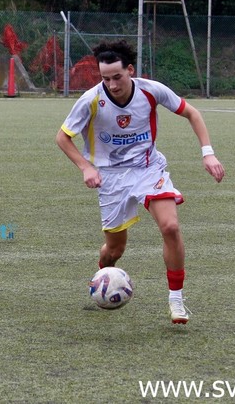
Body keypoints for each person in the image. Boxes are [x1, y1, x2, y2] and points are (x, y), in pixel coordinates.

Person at [55, 40, 225, 325]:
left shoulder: (150, 90)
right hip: (110, 178)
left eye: (117, 77)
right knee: (114, 249)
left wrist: (208, 153)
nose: (111, 84)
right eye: (105, 78)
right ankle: (103, 278)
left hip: (148, 169)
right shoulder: (90, 100)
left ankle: (176, 300)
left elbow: (192, 113)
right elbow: (62, 137)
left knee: (170, 226)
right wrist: (86, 167)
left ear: (130, 70)